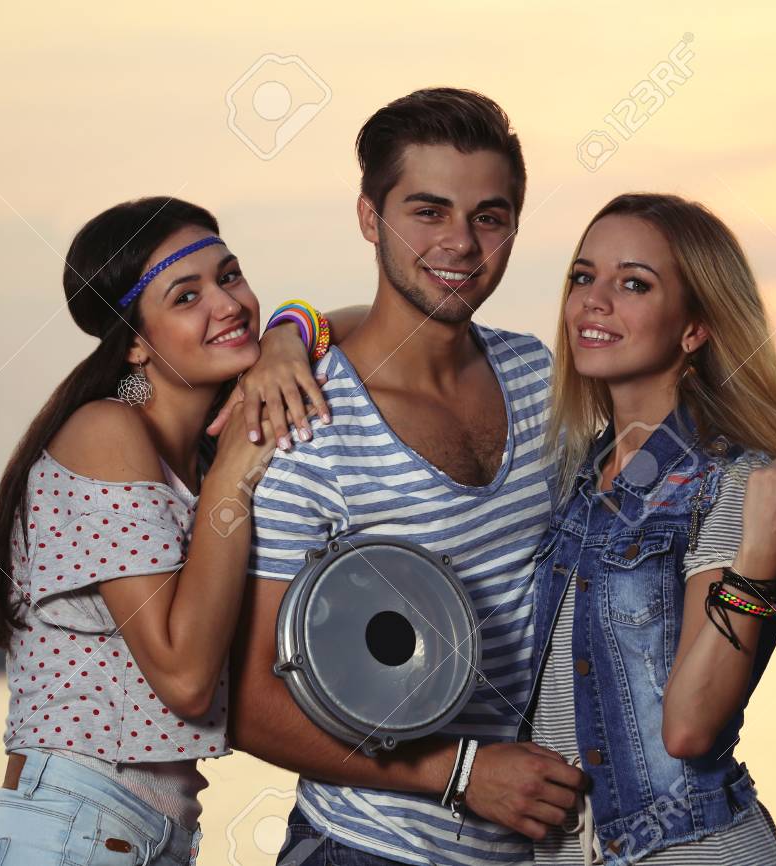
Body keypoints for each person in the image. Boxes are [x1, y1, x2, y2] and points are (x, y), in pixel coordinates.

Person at [224, 88, 587, 866]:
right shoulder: (303, 422)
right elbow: (251, 706)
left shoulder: (536, 375)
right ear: (370, 217)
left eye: (488, 216)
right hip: (369, 848)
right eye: (428, 211)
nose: (460, 241)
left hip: (535, 848)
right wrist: (461, 774)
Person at [521, 193, 776, 864]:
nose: (594, 300)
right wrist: (320, 332)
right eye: (583, 276)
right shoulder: (573, 483)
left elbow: (689, 727)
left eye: (634, 283)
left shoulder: (732, 485)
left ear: (694, 329)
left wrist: (760, 555)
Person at [0, 196, 347, 865]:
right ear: (134, 341)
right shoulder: (107, 430)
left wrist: (287, 334)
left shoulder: (191, 452)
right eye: (186, 296)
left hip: (136, 838)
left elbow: (364, 325)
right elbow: (185, 680)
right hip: (69, 832)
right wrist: (233, 476)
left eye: (229, 276)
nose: (227, 304)